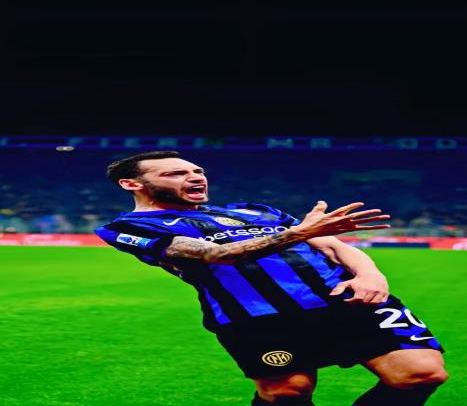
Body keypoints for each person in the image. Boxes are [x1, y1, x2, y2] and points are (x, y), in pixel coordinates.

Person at [95, 151, 447, 406]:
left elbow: (331, 245)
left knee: (421, 373)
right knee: (287, 393)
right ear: (132, 183)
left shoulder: (257, 210)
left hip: (347, 299)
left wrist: (371, 275)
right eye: (175, 173)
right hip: (256, 317)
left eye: (197, 170)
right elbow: (218, 254)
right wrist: (301, 231)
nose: (195, 177)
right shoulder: (128, 227)